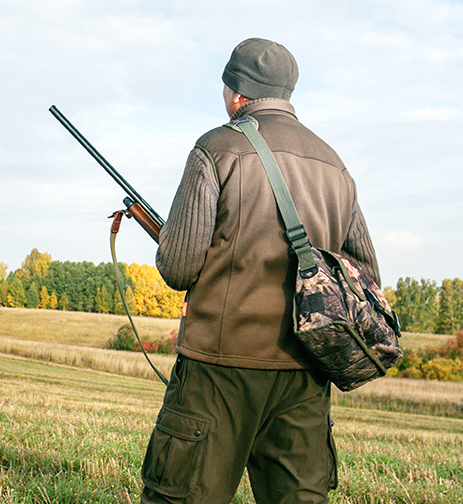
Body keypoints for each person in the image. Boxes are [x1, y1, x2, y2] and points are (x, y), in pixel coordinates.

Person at [140, 38, 380, 504]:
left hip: (219, 369)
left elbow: (179, 265)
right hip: (305, 372)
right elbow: (365, 273)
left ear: (235, 91)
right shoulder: (335, 165)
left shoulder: (216, 147)